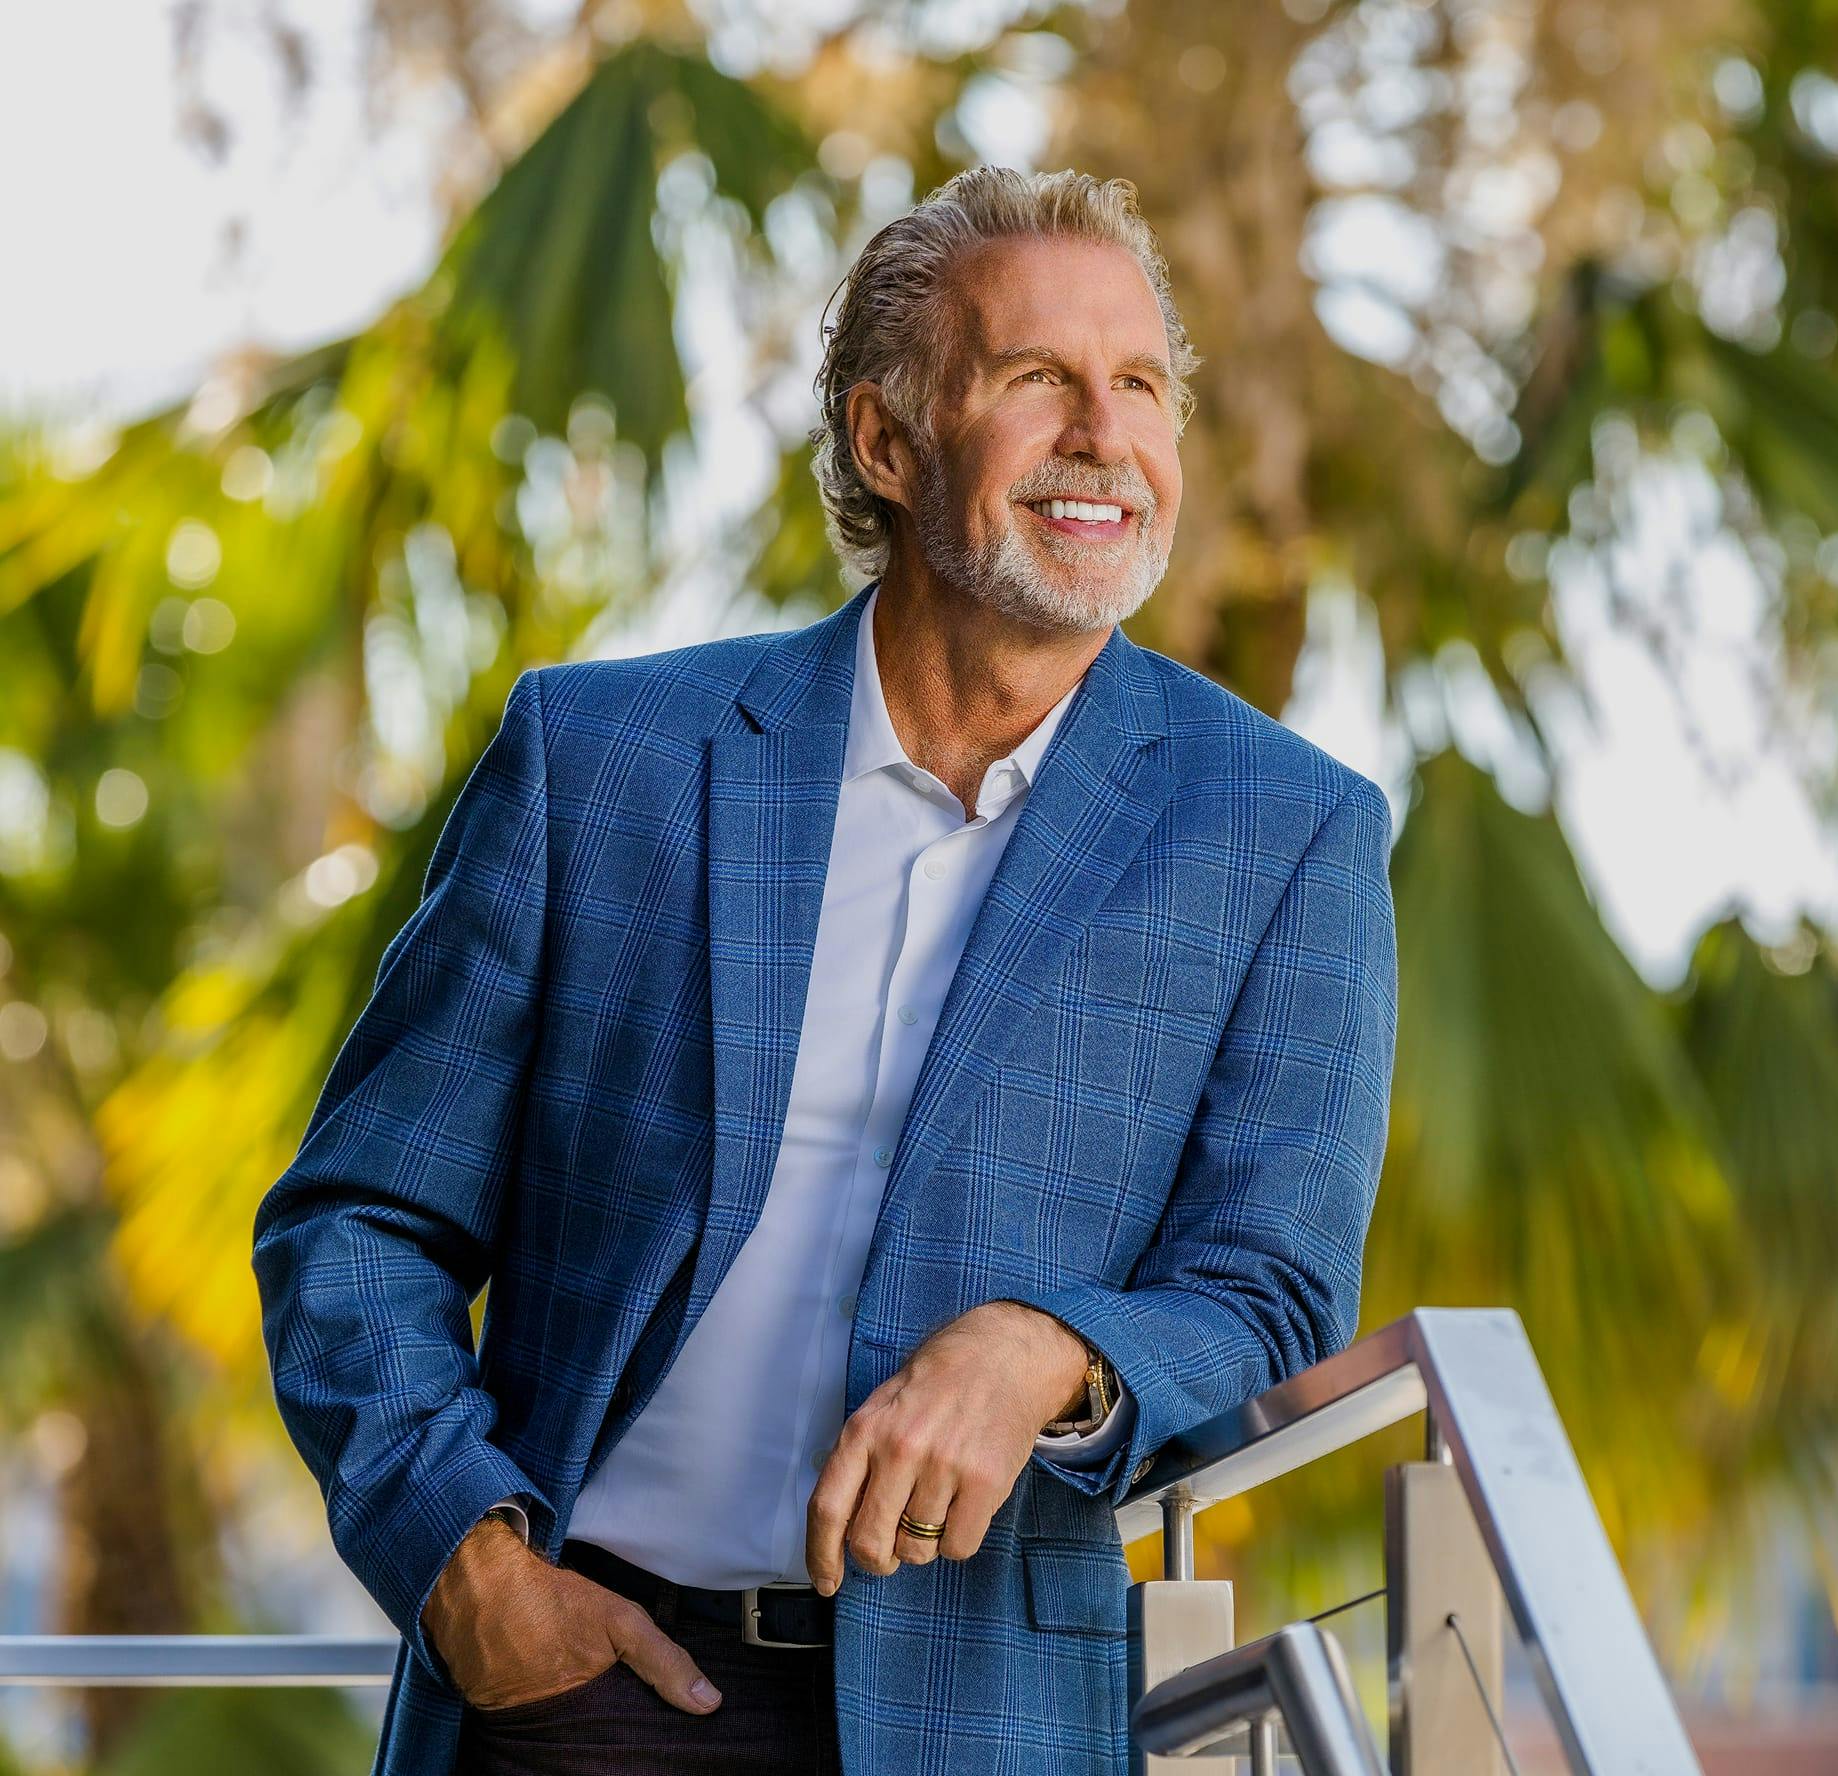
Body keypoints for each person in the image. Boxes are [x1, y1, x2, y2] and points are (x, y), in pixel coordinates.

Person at [252, 164, 1399, 1776]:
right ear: (885, 438)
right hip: (586, 1689)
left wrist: (1050, 1351)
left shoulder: (1287, 832)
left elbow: (1271, 1279)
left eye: (1138, 384)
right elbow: (359, 1219)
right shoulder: (601, 763)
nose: (1104, 433)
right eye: (1034, 380)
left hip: (983, 1720)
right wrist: (468, 1573)